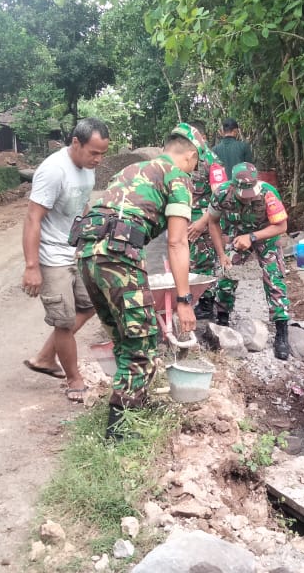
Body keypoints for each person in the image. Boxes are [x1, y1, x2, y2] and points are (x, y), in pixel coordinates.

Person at [74, 123, 208, 440]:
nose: (195, 169)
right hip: (119, 259)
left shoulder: (133, 169)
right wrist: (184, 301)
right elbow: (177, 243)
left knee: (125, 340)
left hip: (88, 256)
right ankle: (119, 433)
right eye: (196, 163)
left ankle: (135, 405)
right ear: (190, 155)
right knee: (143, 347)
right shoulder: (179, 178)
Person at [21, 118, 110, 402]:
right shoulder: (53, 170)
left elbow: (81, 205)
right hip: (51, 256)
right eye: (93, 152)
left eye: (102, 153)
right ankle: (74, 379)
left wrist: (91, 237)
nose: (98, 159)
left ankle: (47, 357)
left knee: (91, 304)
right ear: (76, 143)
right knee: (63, 321)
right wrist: (32, 266)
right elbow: (33, 218)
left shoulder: (86, 170)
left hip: (75, 250)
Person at [204, 162, 291, 360]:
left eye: (251, 192)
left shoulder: (268, 193)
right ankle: (222, 323)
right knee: (228, 274)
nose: (249, 197)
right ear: (233, 186)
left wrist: (252, 237)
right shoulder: (222, 193)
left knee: (274, 279)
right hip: (237, 235)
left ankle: (281, 331)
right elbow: (213, 222)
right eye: (244, 194)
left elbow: (281, 226)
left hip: (265, 236)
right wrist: (221, 255)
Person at [185, 121, 221, 320]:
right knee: (188, 263)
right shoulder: (184, 157)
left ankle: (207, 304)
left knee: (204, 263)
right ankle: (191, 299)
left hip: (203, 223)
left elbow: (219, 198)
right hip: (185, 221)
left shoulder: (212, 161)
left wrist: (202, 222)